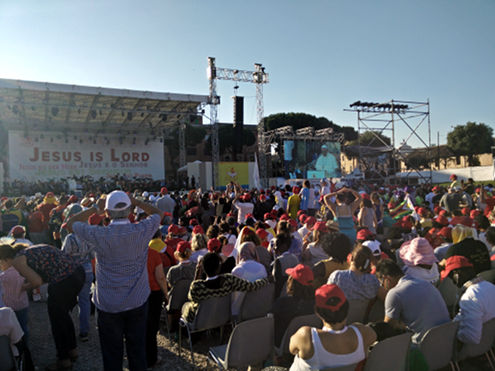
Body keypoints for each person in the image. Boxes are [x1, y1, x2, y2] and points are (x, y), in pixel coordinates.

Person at [66, 190, 162, 371]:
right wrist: (136, 201)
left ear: (107, 213)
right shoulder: (142, 230)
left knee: (112, 355)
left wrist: (95, 208)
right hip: (137, 301)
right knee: (137, 352)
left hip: (108, 304)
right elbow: (157, 214)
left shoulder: (99, 234)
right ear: (130, 210)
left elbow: (70, 223)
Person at [11, 243, 85, 370]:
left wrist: (21, 288)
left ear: (6, 258)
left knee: (57, 321)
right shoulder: (34, 251)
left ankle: (64, 360)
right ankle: (72, 351)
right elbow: (44, 276)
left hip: (64, 281)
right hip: (77, 272)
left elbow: (37, 282)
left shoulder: (17, 259)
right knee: (64, 316)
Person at [289, 284, 376, 370]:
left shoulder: (306, 336)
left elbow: (292, 349)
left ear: (318, 312)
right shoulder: (363, 333)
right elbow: (373, 337)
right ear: (347, 307)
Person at [375, 259, 450, 342]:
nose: (383, 287)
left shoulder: (394, 293)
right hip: (446, 340)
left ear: (387, 279)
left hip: (422, 345)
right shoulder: (423, 282)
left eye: (382, 284)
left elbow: (388, 327)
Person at [181, 252, 269, 323]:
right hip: (222, 318)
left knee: (186, 306)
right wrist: (266, 280)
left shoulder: (197, 287)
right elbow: (251, 286)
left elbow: (191, 297)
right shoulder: (229, 280)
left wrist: (197, 274)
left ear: (203, 269)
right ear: (219, 267)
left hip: (200, 321)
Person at [440, 255, 495, 345]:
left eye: (451, 277)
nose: (453, 282)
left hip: (477, 348)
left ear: (457, 274)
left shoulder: (470, 297)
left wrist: (452, 335)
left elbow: (471, 337)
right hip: (490, 343)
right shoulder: (490, 286)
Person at [272, 264, 315, 348]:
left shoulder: (282, 303)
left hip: (284, 345)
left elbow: (268, 323)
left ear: (291, 282)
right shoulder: (317, 304)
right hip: (308, 344)